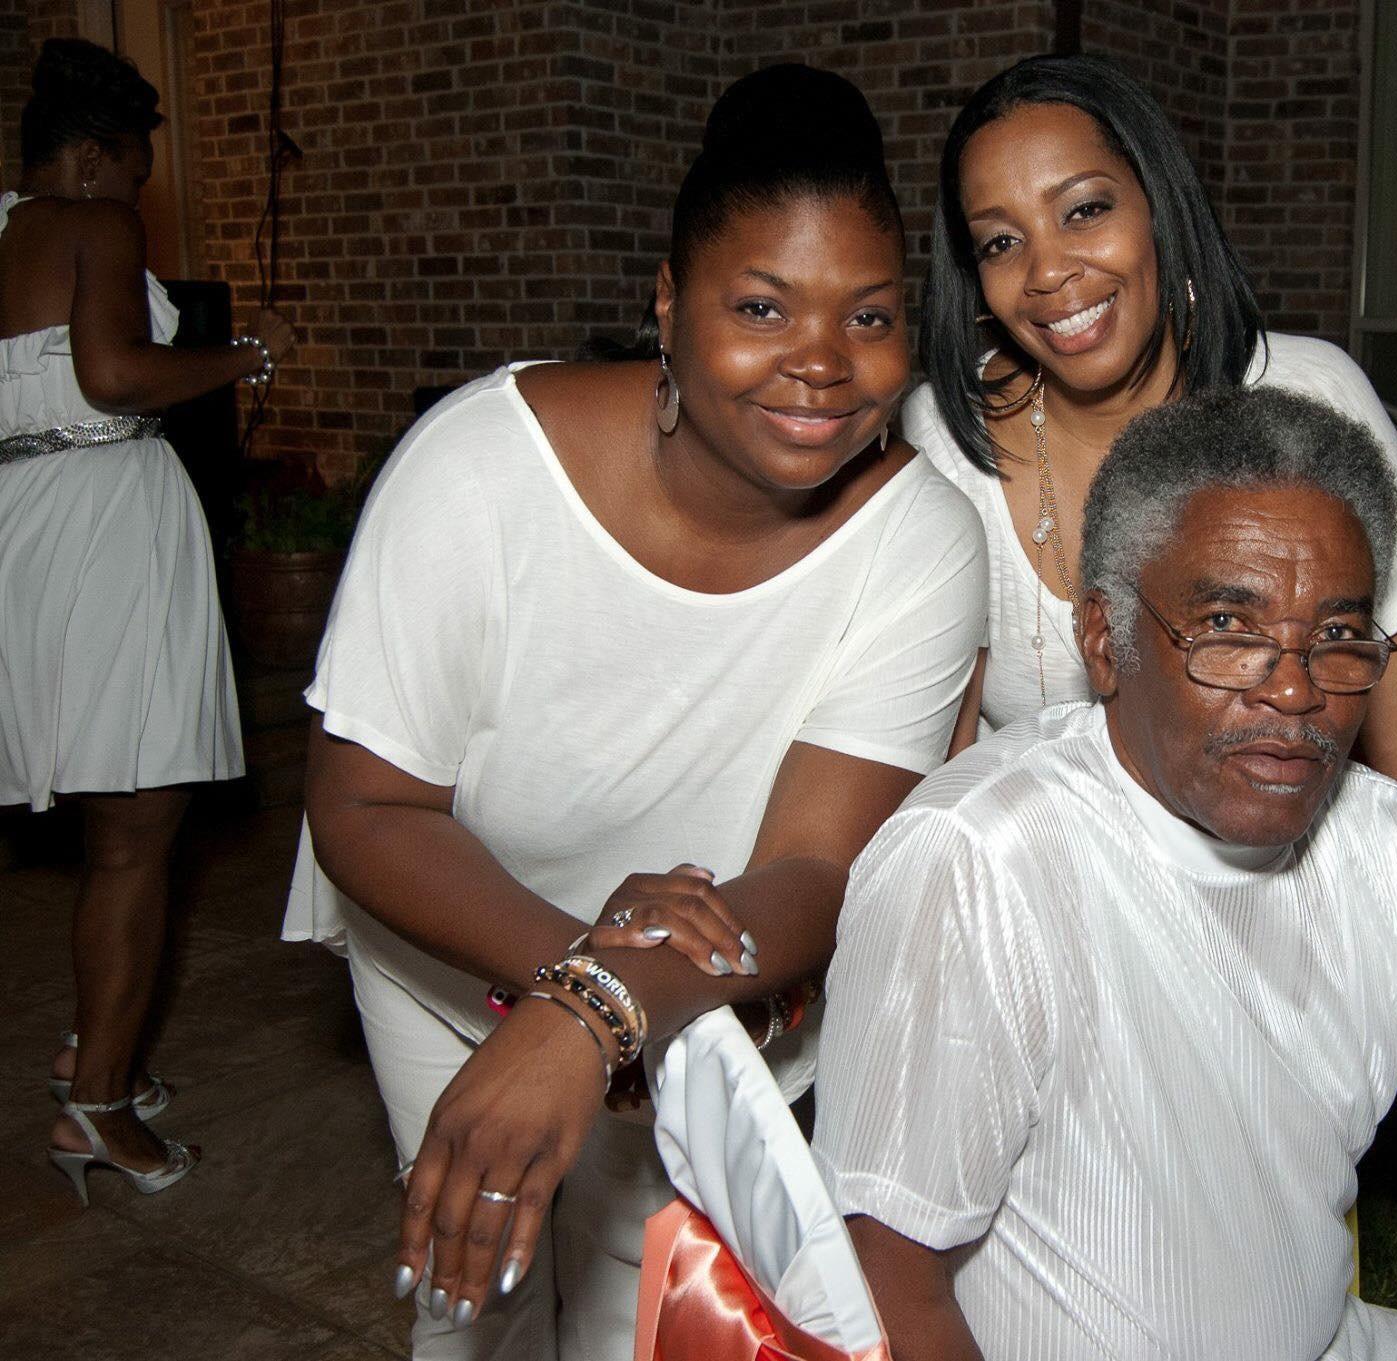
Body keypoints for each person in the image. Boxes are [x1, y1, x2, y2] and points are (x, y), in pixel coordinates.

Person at [813, 387, 1397, 1361]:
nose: (1296, 689)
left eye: (1338, 637)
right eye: (1228, 627)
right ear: (1104, 638)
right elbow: (882, 1278)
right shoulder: (979, 862)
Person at [291, 66, 983, 1358]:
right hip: (448, 938)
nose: (824, 364)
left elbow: (816, 863)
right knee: (478, 1307)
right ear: (668, 305)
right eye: (763, 305)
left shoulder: (922, 538)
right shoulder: (479, 467)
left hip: (715, 982)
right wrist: (579, 996)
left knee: (652, 1308)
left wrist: (608, 1001)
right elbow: (369, 804)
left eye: (873, 316)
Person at [906, 54, 1397, 930]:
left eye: (1085, 209)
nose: (1048, 271)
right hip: (1046, 926)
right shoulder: (946, 437)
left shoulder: (1307, 398)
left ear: (1160, 207)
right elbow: (938, 768)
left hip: (1289, 918)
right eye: (1002, 241)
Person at [1, 38, 295, 1202]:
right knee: (135, 837)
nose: (134, 195)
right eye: (130, 169)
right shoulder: (94, 224)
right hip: (105, 522)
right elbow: (118, 376)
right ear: (86, 158)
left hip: (25, 517)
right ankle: (101, 1107)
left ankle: (95, 1046)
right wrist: (244, 357)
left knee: (103, 816)